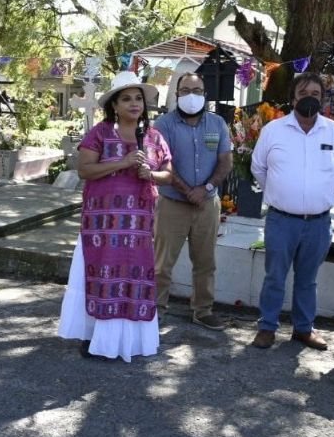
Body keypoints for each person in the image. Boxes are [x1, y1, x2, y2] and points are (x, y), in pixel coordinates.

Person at [57, 71, 173, 361]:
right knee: (101, 276)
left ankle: (132, 342)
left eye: (138, 99)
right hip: (102, 226)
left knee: (135, 276)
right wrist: (121, 163)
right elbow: (85, 170)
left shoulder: (154, 137)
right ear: (115, 105)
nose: (134, 104)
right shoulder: (100, 133)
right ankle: (95, 336)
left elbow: (169, 174)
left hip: (138, 226)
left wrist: (152, 174)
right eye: (126, 99)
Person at [249, 72, 334, 351]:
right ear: (293, 97)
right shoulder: (273, 130)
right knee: (274, 277)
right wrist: (282, 194)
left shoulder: (333, 131)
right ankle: (267, 327)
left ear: (322, 99)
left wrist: (317, 195)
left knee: (308, 279)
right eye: (304, 93)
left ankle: (303, 329)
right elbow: (259, 168)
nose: (309, 99)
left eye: (315, 94)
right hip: (282, 220)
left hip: (318, 222)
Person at [152, 72, 233, 330]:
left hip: (207, 204)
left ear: (205, 94)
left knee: (205, 262)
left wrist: (205, 188)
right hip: (172, 204)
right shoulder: (163, 124)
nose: (191, 96)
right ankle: (154, 310)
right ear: (177, 94)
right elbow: (163, 163)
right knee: (162, 263)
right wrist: (189, 190)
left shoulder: (218, 124)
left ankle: (203, 310)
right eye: (185, 90)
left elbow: (226, 161)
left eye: (197, 91)